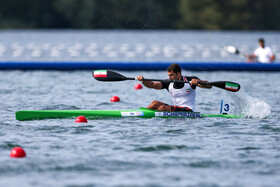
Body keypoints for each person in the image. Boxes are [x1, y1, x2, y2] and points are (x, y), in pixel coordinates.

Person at [136, 63, 212, 112]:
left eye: (171, 75)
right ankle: (142, 117)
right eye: (168, 75)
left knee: (163, 108)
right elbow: (152, 85)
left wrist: (198, 82)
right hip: (176, 109)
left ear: (178, 74)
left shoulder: (190, 80)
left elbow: (209, 86)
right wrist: (143, 81)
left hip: (188, 110)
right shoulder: (169, 83)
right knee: (154, 103)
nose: (169, 77)